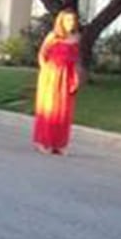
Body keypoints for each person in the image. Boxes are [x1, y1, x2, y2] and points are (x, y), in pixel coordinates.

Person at [33, 9, 82, 155]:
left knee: (63, 111)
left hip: (68, 75)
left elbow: (76, 60)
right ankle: (43, 142)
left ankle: (58, 144)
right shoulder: (53, 36)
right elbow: (42, 54)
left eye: (73, 20)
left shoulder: (76, 38)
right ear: (61, 21)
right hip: (51, 74)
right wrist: (46, 71)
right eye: (67, 20)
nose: (71, 23)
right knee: (49, 109)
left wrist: (77, 78)